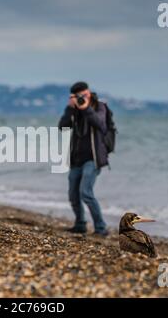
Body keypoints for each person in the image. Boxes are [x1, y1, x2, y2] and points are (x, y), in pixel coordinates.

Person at [58, 82, 109, 236]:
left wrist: (86, 108)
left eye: (83, 95)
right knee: (73, 195)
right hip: (76, 159)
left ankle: (101, 228)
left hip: (93, 159)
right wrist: (69, 108)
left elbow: (101, 124)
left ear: (88, 92)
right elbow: (63, 126)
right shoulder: (73, 110)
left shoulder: (99, 106)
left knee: (85, 192)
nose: (81, 98)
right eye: (77, 96)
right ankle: (80, 224)